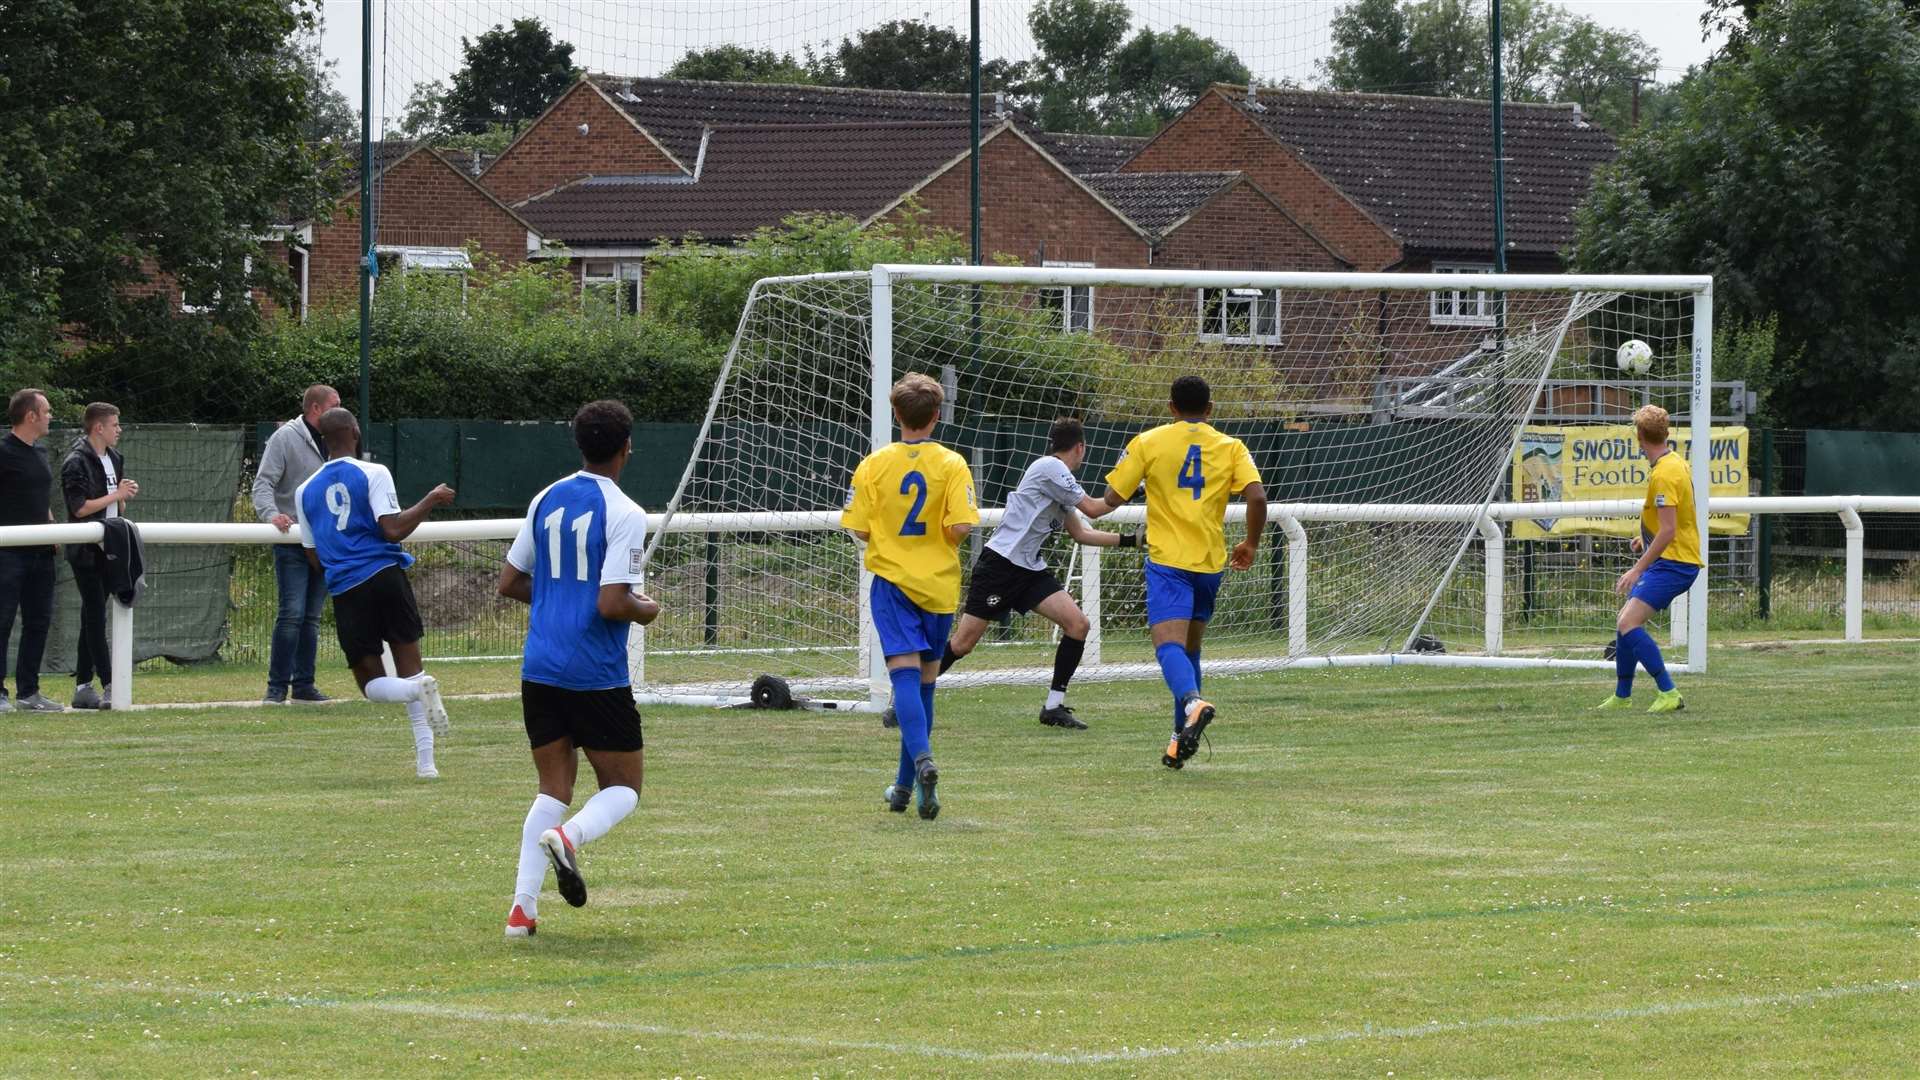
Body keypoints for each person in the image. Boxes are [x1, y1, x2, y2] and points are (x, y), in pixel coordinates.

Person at [495, 400, 659, 938]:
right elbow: (614, 603)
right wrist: (647, 608)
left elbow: (511, 582)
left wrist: (557, 601)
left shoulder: (546, 498)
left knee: (552, 788)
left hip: (540, 666)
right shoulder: (626, 512)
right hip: (594, 672)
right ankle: (571, 839)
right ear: (627, 448)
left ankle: (522, 911)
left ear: (579, 445)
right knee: (624, 786)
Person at [924, 417, 1137, 730]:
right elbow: (1094, 508)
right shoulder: (1052, 469)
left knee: (1078, 624)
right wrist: (1131, 485)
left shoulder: (1060, 484)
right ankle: (906, 699)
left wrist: (1133, 541)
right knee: (962, 644)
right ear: (1080, 447)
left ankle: (1053, 707)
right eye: (1083, 450)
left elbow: (1082, 533)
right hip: (1001, 564)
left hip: (1029, 569)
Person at [1100, 376, 1267, 770]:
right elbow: (1257, 496)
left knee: (1168, 647)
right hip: (1210, 563)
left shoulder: (1149, 442)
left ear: (1171, 407)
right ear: (1210, 410)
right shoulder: (1231, 446)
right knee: (1190, 650)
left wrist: (1069, 500)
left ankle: (1193, 703)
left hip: (1168, 563)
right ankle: (1179, 741)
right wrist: (1252, 544)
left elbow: (1109, 500)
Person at [843, 373, 979, 820]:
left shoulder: (873, 465)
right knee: (925, 685)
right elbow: (961, 526)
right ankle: (904, 788)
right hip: (938, 584)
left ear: (896, 414)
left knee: (902, 677)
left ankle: (922, 761)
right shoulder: (953, 464)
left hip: (893, 583)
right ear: (937, 416)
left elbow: (860, 528)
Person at [294, 407, 452, 778]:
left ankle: (417, 694)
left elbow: (313, 554)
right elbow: (393, 531)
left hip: (348, 588)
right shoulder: (374, 472)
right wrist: (429, 500)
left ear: (321, 439)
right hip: (387, 577)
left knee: (371, 685)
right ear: (354, 431)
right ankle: (426, 763)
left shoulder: (304, 491)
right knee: (412, 669)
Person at [1597, 404, 1700, 714]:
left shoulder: (1665, 474)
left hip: (1675, 564)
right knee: (1626, 619)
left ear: (1639, 436)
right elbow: (1675, 519)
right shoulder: (1673, 462)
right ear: (1665, 433)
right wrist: (1646, 535)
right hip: (1671, 558)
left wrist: (1636, 568)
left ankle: (1669, 692)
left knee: (1628, 621)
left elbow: (1668, 531)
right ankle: (1622, 695)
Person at [252, 384, 339, 704]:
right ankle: (277, 688)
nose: (341, 411)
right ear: (315, 409)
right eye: (335, 405)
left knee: (311, 616)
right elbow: (263, 483)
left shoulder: (337, 439)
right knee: (292, 613)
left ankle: (304, 685)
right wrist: (272, 515)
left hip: (325, 542)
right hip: (292, 542)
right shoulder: (285, 438)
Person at [61, 402, 137, 710]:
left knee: (90, 616)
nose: (119, 430)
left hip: (110, 549)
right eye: (115, 425)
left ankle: (82, 686)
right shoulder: (76, 462)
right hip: (85, 551)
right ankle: (109, 683)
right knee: (95, 614)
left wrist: (122, 496)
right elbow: (79, 508)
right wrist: (116, 495)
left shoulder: (115, 457)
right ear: (99, 428)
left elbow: (114, 506)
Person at [0, 389, 63, 713]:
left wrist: (51, 528)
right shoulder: (3, 451)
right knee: (2, 620)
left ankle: (29, 692)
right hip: (8, 553)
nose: (51, 416)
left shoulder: (39, 452)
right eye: (47, 411)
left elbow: (41, 499)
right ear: (31, 416)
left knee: (39, 621)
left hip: (41, 554)